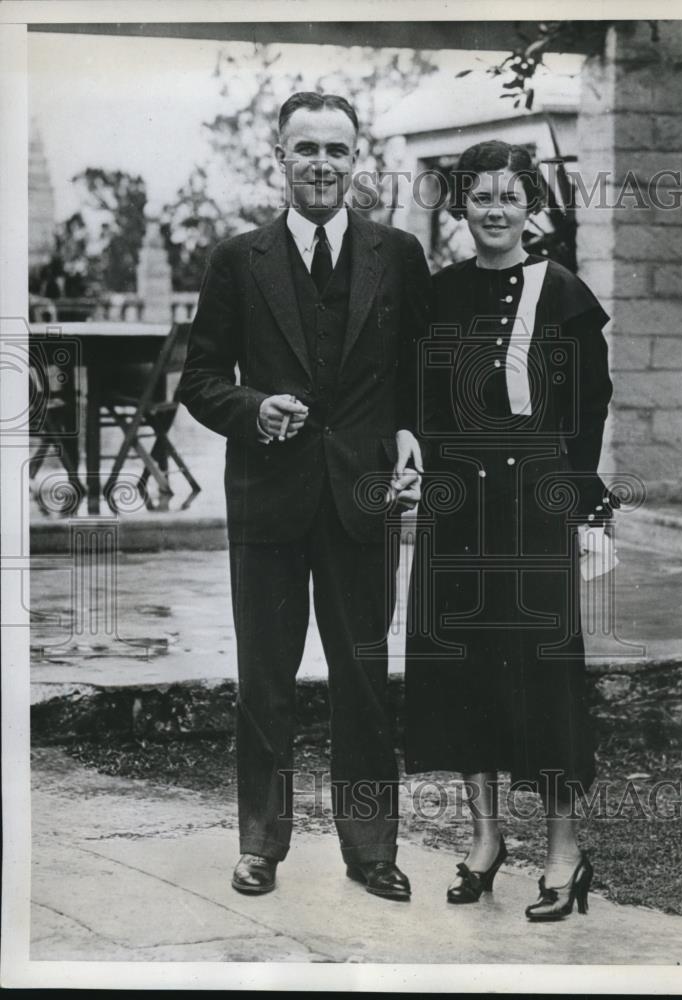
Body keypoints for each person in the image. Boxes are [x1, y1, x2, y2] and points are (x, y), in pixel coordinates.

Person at [179, 92, 430, 901]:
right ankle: (260, 844)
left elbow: (416, 374)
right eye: (306, 148)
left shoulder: (398, 255)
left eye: (336, 149)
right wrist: (255, 411)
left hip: (362, 500)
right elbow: (200, 382)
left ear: (357, 159)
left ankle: (371, 849)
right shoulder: (235, 260)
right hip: (268, 503)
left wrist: (410, 436)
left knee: (363, 678)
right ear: (279, 158)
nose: (322, 163)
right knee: (266, 681)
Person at [404, 140, 618, 919]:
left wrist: (579, 507)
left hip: (533, 503)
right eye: (478, 197)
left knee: (544, 676)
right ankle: (486, 839)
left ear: (530, 205)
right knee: (463, 670)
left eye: (509, 196)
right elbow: (417, 399)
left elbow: (588, 411)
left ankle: (565, 853)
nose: (493, 210)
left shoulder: (561, 293)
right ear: (459, 206)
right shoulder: (438, 293)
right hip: (457, 504)